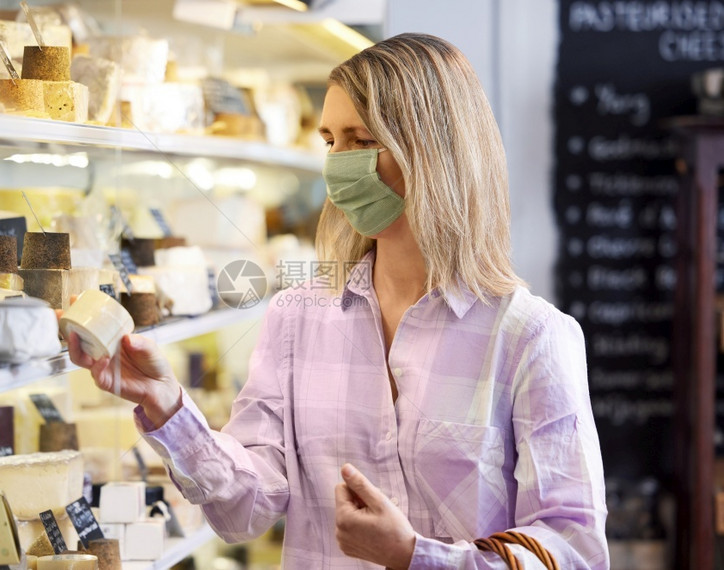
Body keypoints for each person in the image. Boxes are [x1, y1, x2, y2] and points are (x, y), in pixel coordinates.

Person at [68, 33, 609, 569]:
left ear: (436, 150)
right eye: (330, 141)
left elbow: (574, 550)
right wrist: (168, 408)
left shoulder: (528, 336)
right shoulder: (296, 316)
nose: (339, 164)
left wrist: (414, 556)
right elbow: (245, 511)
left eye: (362, 139)